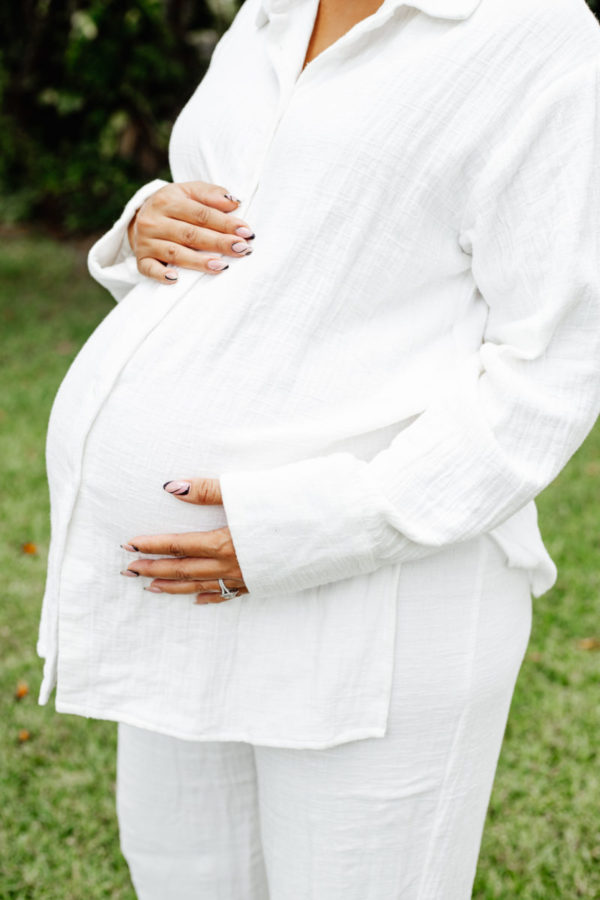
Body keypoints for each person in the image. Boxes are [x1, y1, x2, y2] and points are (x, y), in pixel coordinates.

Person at [37, 0, 600, 897]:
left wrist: (307, 530)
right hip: (180, 592)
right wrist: (147, 226)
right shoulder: (273, 9)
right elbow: (252, 222)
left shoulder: (532, 30)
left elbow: (554, 368)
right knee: (186, 880)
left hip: (377, 605)